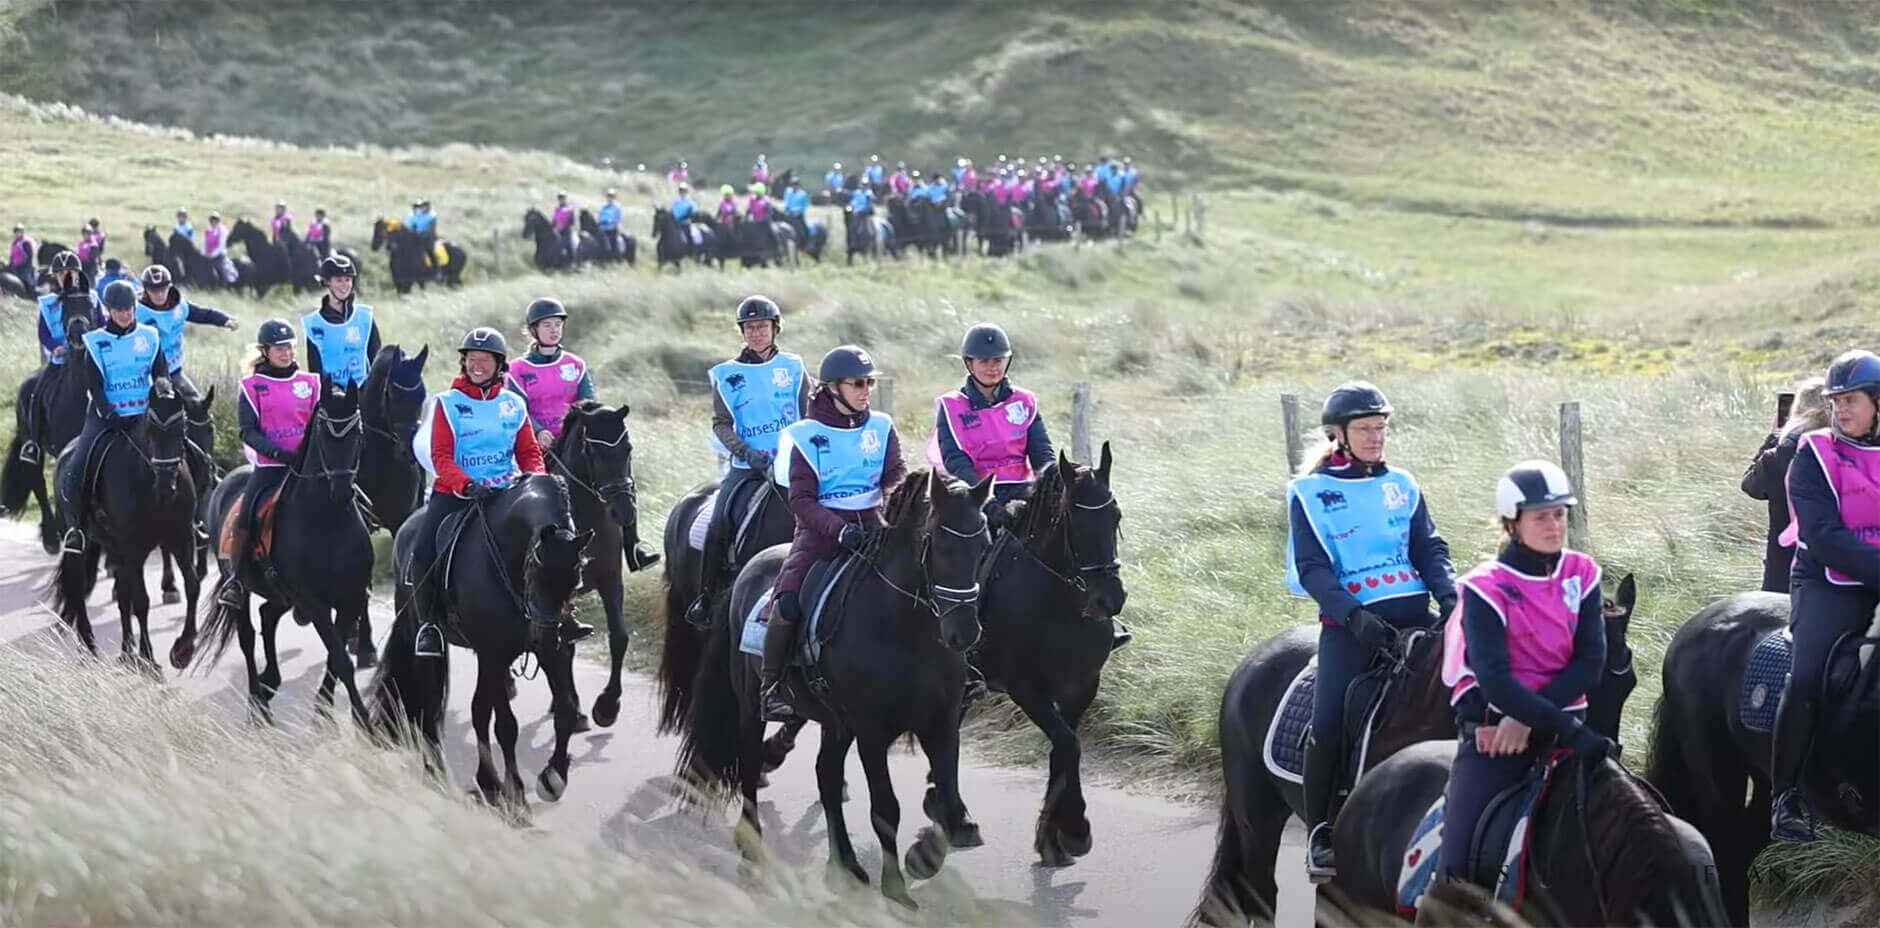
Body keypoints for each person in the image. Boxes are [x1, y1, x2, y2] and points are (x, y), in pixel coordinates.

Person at [1285, 380, 1457, 882]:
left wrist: (1449, 596)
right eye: (1364, 428)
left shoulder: (1402, 485)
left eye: (1381, 428)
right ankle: (1321, 829)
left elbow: (1429, 548)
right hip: (1351, 630)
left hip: (1417, 618)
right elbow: (1313, 569)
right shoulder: (1311, 494)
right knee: (1329, 720)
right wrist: (1353, 615)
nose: (1376, 437)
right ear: (1338, 435)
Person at [1435, 460, 1614, 894]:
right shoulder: (1484, 587)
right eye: (1541, 517)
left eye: (1559, 514)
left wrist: (1535, 721)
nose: (1554, 526)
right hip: (1498, 737)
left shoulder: (1583, 573)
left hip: (1567, 730)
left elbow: (1591, 662)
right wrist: (1559, 726)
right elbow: (1494, 680)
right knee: (1456, 870)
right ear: (1512, 523)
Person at [1769, 349, 1880, 842]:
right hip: (1826, 581)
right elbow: (1825, 536)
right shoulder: (1812, 453)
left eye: (1851, 400)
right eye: (1835, 401)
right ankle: (1787, 794)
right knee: (1807, 676)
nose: (1840, 409)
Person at [759, 345, 906, 712]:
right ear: (833, 388)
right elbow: (801, 501)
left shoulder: (882, 426)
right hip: (821, 533)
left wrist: (888, 506)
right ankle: (772, 686)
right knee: (787, 602)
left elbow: (895, 475)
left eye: (869, 383)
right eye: (857, 383)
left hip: (876, 525)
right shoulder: (803, 435)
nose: (865, 390)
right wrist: (840, 530)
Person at [405, 327, 563, 658]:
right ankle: (429, 626)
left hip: (506, 491)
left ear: (499, 364)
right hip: (457, 493)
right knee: (422, 551)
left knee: (556, 542)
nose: (477, 366)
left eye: (485, 360)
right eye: (471, 359)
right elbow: (441, 456)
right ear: (463, 362)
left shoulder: (513, 404)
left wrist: (537, 481)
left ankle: (561, 614)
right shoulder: (447, 403)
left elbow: (529, 452)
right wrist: (466, 484)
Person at [682, 295, 811, 628]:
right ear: (742, 331)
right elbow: (721, 424)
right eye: (750, 327)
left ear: (775, 328)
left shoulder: (794, 367)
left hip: (793, 465)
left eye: (762, 326)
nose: (756, 333)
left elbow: (809, 415)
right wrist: (745, 452)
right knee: (719, 520)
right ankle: (707, 597)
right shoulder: (726, 374)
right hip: (747, 468)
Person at [212, 319, 321, 613]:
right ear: (265, 351)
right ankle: (235, 580)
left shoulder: (311, 382)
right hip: (270, 468)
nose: (286, 353)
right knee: (246, 515)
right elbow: (247, 432)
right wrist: (278, 453)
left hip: (308, 467)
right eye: (278, 348)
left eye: (289, 347)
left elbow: (320, 424)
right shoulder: (252, 387)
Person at [57, 280, 169, 551]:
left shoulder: (150, 336)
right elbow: (94, 385)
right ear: (108, 310)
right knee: (79, 463)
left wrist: (163, 388)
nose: (125, 314)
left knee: (183, 452)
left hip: (145, 413)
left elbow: (161, 372)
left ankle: (193, 518)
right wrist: (109, 413)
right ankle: (77, 526)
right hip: (105, 415)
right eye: (119, 310)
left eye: (129, 309)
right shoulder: (95, 342)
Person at [1742, 378, 1831, 593]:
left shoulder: (1777, 456)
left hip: (1783, 566)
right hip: (1836, 565)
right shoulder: (1847, 451)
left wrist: (1774, 437)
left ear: (1797, 410)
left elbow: (1750, 486)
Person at [20, 252, 104, 465]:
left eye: (71, 272)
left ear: (78, 274)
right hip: (60, 361)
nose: (66, 276)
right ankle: (34, 444)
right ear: (55, 277)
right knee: (35, 393)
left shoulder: (92, 298)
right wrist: (53, 347)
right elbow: (43, 333)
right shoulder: (48, 303)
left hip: (89, 360)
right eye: (60, 273)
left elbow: (102, 324)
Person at [135, 263, 237, 402]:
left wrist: (224, 320)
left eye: (163, 289)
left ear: (169, 287)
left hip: (173, 369)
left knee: (197, 403)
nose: (159, 294)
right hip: (147, 373)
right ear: (146, 290)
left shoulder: (179, 306)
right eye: (154, 290)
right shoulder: (136, 311)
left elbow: (201, 314)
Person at [301, 254, 380, 388]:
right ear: (327, 282)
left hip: (363, 392)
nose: (344, 285)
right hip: (331, 394)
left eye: (348, 280)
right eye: (338, 280)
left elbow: (376, 360)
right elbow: (315, 370)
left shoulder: (365, 316)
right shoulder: (313, 324)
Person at [204, 212, 237, 284]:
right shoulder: (208, 230)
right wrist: (204, 252)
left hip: (219, 255)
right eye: (212, 220)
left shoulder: (222, 231)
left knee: (221, 269)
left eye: (215, 220)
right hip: (208, 255)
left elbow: (221, 246)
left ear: (218, 221)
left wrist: (212, 254)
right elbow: (206, 243)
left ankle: (226, 282)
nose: (213, 222)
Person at [596, 189, 625, 257]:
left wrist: (610, 222)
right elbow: (599, 216)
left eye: (611, 196)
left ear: (614, 197)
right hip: (602, 229)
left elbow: (618, 218)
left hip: (612, 229)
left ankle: (616, 256)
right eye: (609, 196)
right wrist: (600, 222)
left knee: (614, 242)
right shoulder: (603, 207)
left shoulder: (617, 207)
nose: (610, 198)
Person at [551, 191, 576, 261]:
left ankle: (572, 260)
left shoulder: (569, 209)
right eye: (560, 198)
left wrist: (563, 227)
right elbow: (554, 220)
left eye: (562, 198)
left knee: (568, 244)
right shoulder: (556, 209)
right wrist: (552, 227)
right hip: (557, 231)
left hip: (566, 231)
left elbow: (572, 222)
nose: (561, 200)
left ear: (565, 199)